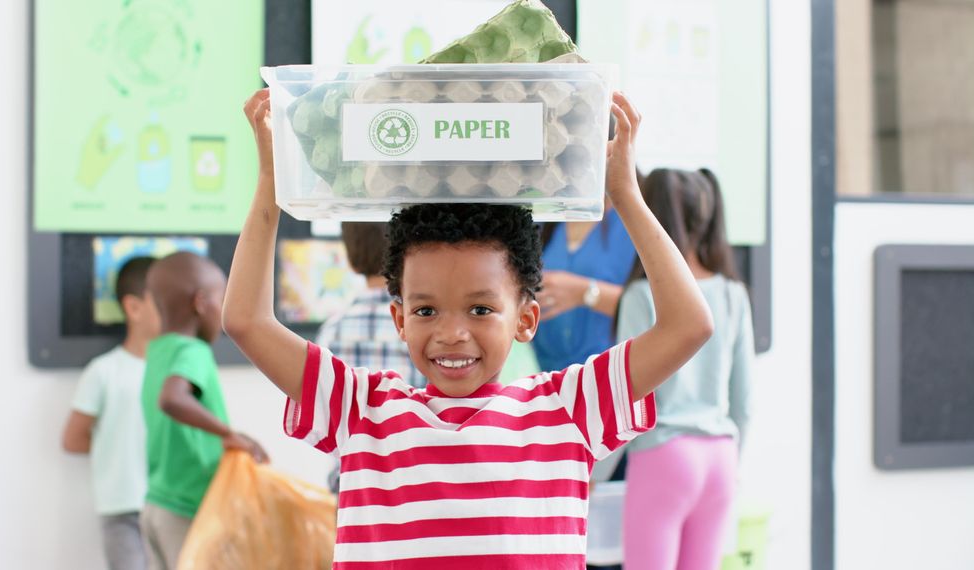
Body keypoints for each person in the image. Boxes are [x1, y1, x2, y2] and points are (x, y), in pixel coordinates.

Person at [222, 88, 713, 566]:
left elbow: (688, 325)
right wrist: (270, 182)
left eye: (480, 310)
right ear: (399, 319)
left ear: (525, 319)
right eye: (426, 310)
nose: (452, 333)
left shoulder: (568, 410)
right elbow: (246, 320)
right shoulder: (361, 411)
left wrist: (625, 194)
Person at [618, 168, 755, 570]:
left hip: (664, 456)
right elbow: (744, 403)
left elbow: (626, 397)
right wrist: (732, 461)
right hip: (721, 458)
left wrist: (593, 470)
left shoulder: (641, 296)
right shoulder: (733, 294)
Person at [140, 251, 269, 570]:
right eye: (220, 299)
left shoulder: (158, 350)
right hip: (189, 507)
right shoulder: (192, 350)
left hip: (157, 505)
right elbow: (172, 399)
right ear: (200, 302)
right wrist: (227, 433)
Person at [61, 256, 158, 570]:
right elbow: (73, 439)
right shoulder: (103, 372)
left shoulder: (175, 372)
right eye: (163, 301)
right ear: (134, 308)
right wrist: (114, 448)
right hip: (122, 507)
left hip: (169, 504)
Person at [316, 222, 424, 493]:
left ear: (351, 261)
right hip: (413, 478)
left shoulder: (332, 330)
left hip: (350, 483)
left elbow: (324, 417)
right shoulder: (420, 325)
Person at [533, 199, 637, 373]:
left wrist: (586, 293)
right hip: (546, 374)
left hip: (609, 373)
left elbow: (654, 306)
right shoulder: (548, 216)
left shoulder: (631, 222)